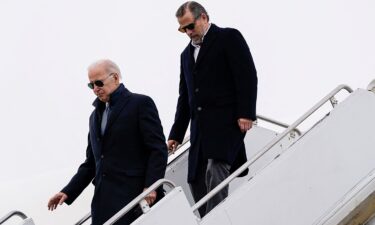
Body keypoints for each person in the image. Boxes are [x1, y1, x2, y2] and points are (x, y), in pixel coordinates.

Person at [47, 59, 168, 225]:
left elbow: (157, 149)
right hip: (104, 204)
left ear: (116, 78)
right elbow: (91, 163)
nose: (95, 89)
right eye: (91, 85)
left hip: (136, 198)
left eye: (99, 83)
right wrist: (67, 191)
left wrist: (151, 186)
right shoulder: (94, 117)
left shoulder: (140, 104)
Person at [168, 1, 258, 216]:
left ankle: (216, 218)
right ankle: (210, 218)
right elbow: (185, 97)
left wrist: (246, 112)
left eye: (190, 26)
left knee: (216, 168)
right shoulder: (185, 55)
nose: (188, 32)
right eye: (183, 29)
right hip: (200, 128)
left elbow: (246, 76)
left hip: (226, 121)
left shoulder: (228, 37)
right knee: (194, 180)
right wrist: (176, 134)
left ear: (204, 18)